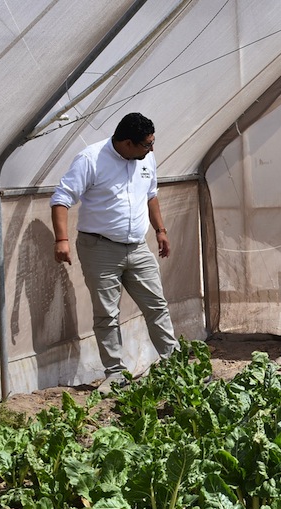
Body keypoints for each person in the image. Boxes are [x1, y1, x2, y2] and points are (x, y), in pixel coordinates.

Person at [50, 112, 178, 392]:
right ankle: (116, 374)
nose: (152, 149)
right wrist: (62, 239)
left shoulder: (145, 158)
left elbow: (151, 194)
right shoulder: (91, 159)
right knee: (107, 314)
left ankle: (174, 365)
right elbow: (61, 199)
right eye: (147, 144)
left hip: (138, 246)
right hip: (100, 248)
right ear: (128, 143)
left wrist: (160, 230)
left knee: (156, 305)